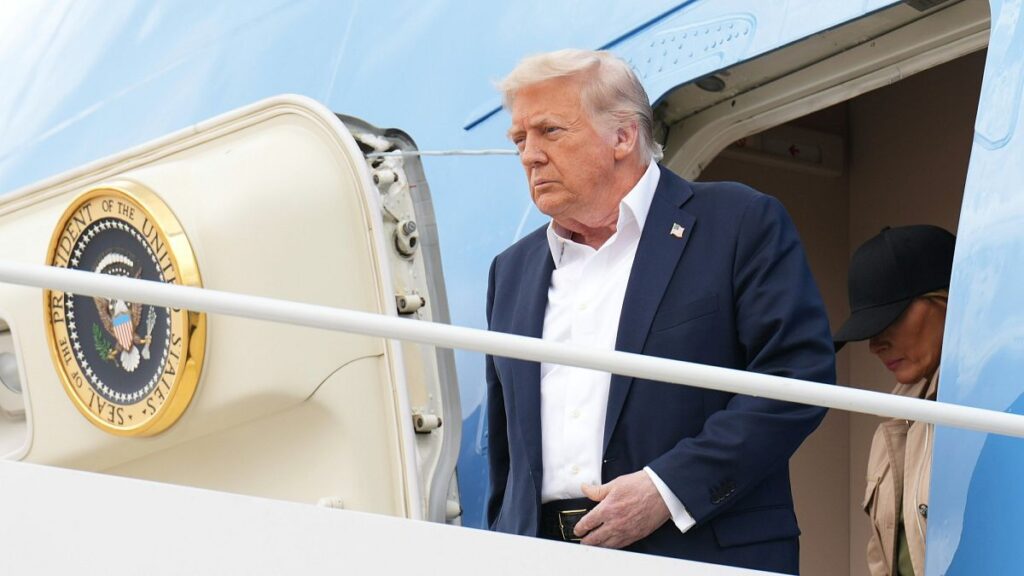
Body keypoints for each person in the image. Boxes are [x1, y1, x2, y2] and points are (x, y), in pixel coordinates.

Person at [485, 49, 835, 574]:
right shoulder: (510, 271)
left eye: (550, 131)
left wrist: (667, 489)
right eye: (520, 139)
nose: (530, 156)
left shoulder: (738, 222)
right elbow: (505, 455)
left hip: (698, 550)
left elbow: (796, 377)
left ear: (623, 136)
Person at [833, 225, 955, 576]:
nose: (875, 345)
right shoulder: (894, 419)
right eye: (870, 329)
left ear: (948, 299)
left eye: (892, 317)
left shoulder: (1001, 401)